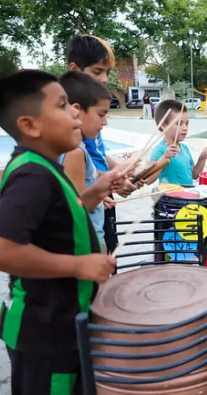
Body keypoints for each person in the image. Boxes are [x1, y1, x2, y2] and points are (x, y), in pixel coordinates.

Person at [0, 70, 122, 395]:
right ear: (30, 125)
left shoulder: (45, 168)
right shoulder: (33, 175)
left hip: (60, 323)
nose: (75, 112)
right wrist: (78, 265)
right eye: (62, 106)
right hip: (43, 332)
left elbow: (64, 218)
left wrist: (95, 191)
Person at [67, 34, 139, 253]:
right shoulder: (78, 118)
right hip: (90, 196)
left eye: (107, 72)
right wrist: (106, 183)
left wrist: (117, 168)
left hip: (99, 192)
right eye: (97, 71)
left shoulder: (89, 110)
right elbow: (79, 168)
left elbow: (96, 152)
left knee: (107, 247)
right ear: (74, 69)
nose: (106, 79)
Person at [58, 71, 114, 248]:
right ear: (76, 110)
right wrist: (102, 189)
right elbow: (76, 211)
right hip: (88, 243)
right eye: (101, 114)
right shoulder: (75, 152)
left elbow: (78, 194)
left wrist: (100, 194)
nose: (105, 122)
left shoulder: (69, 147)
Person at [145, 99, 207, 186]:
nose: (185, 128)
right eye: (179, 124)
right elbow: (148, 179)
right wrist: (164, 158)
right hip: (170, 198)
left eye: (186, 123)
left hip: (187, 197)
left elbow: (194, 175)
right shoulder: (160, 150)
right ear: (163, 125)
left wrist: (202, 158)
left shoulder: (184, 148)